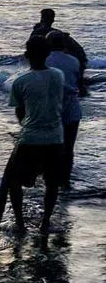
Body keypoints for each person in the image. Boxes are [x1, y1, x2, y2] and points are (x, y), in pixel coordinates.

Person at [8, 37, 66, 234]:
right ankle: (45, 222)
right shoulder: (58, 75)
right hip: (56, 137)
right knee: (52, 183)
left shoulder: (21, 81)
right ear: (48, 54)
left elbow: (20, 113)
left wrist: (26, 126)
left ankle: (20, 223)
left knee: (14, 181)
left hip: (31, 137)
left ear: (26, 55)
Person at [45, 31, 82, 189]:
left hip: (51, 108)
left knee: (50, 147)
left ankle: (51, 179)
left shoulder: (44, 61)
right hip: (72, 107)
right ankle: (65, 180)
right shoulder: (74, 61)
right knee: (69, 147)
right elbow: (78, 82)